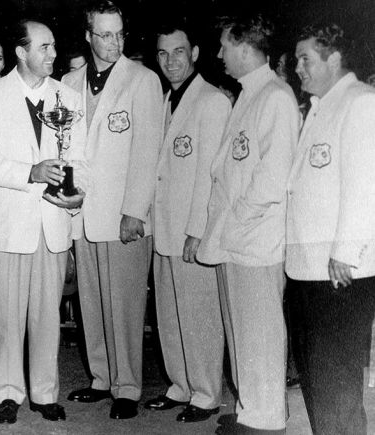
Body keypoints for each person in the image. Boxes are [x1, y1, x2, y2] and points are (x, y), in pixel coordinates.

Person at [0, 18, 87, 425]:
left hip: (52, 225)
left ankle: (44, 392)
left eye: (53, 46)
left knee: (46, 316)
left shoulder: (68, 98)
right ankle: (7, 392)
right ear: (20, 52)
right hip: (6, 226)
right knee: (5, 317)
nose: (52, 54)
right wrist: (30, 173)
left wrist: (76, 195)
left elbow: (81, 162)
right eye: (44, 47)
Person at [197, 14, 300, 435]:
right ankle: (249, 408)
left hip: (255, 239)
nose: (219, 54)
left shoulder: (275, 96)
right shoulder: (249, 95)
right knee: (243, 331)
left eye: (224, 46)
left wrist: (237, 216)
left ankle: (266, 418)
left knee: (260, 332)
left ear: (243, 46)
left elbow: (273, 177)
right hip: (236, 239)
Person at [61, 0, 164, 420]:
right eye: (104, 34)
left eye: (118, 33)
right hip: (81, 214)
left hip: (123, 215)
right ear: (87, 36)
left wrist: (135, 211)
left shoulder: (142, 80)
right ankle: (101, 378)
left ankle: (127, 386)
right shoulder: (68, 81)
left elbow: (147, 153)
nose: (113, 41)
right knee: (91, 302)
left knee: (123, 305)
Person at [286, 23, 375, 435]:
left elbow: (365, 183)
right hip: (308, 267)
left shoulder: (361, 102)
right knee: (316, 379)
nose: (296, 67)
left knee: (338, 385)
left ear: (334, 59)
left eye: (306, 58)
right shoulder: (321, 106)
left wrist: (346, 250)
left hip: (339, 271)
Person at [146, 20, 229, 423]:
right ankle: (180, 385)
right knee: (170, 315)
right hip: (164, 229)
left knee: (199, 315)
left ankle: (207, 392)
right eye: (163, 53)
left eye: (178, 51)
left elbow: (209, 177)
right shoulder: (167, 99)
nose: (170, 61)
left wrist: (197, 231)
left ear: (194, 53)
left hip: (189, 231)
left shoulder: (211, 101)